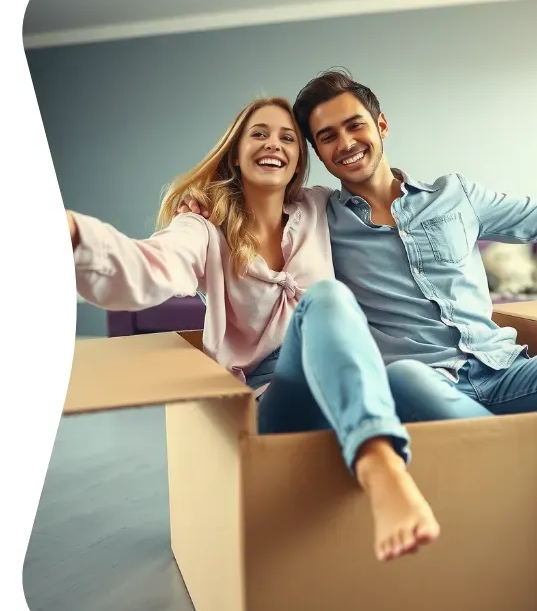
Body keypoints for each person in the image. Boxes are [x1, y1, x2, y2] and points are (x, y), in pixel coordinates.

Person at [180, 70, 537, 534]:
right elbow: (254, 204)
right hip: (421, 386)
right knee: (403, 377)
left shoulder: (455, 196)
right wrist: (202, 205)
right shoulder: (316, 215)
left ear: (381, 125)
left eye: (355, 126)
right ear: (319, 154)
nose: (346, 143)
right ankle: (528, 466)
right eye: (327, 137)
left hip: (505, 372)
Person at [65, 96, 441, 563]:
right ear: (236, 153)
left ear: (299, 160)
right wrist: (76, 234)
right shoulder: (203, 227)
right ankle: (382, 469)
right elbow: (150, 268)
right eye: (258, 134)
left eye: (287, 138)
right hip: (271, 398)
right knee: (327, 298)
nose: (273, 144)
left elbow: (384, 202)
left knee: (414, 378)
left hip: (345, 382)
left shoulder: (320, 209)